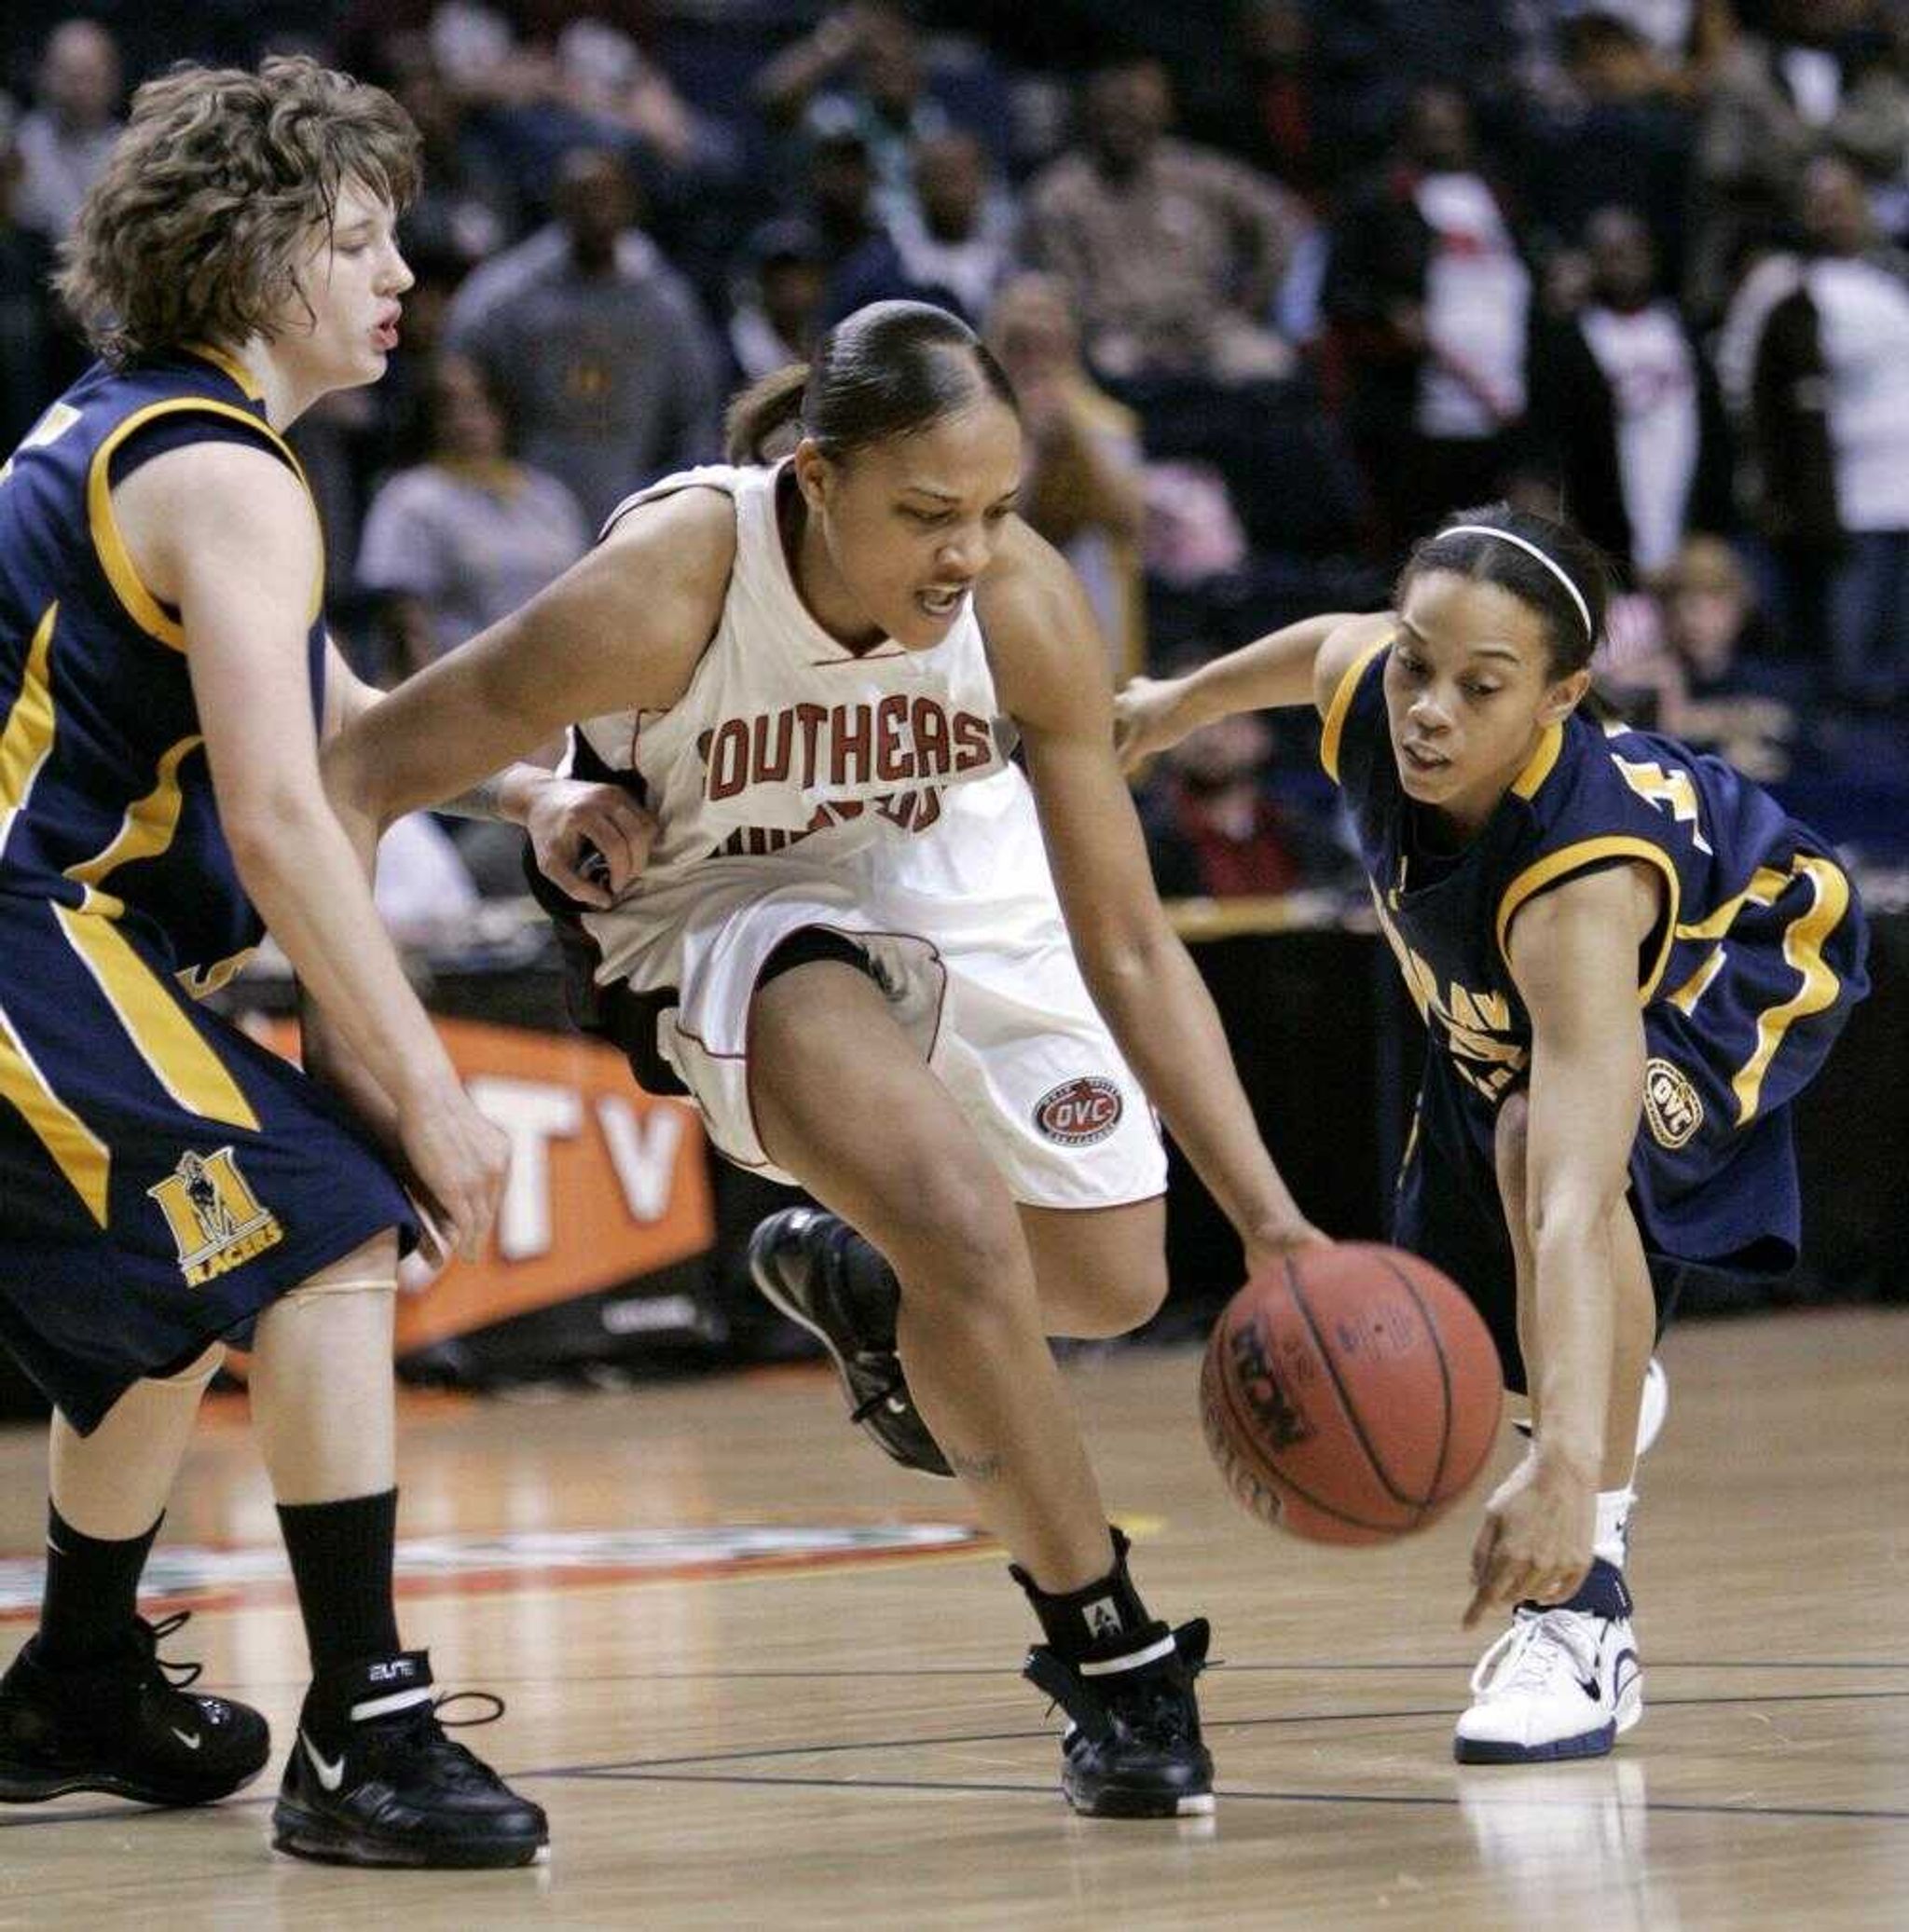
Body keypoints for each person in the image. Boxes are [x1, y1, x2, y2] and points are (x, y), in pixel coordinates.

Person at [323, 298, 1324, 1820]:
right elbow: (367, 764)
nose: (966, 553)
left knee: (1112, 1278)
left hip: (931, 864)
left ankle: (864, 1286)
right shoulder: (670, 585)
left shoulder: (1024, 607)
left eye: (993, 510)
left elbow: (1128, 945)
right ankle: (1112, 1655)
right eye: (926, 514)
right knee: (952, 1211)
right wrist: (518, 828)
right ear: (812, 479)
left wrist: (1273, 1225)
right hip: (716, 901)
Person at [0, 55, 643, 1866]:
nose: (397, 278)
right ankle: (361, 1728)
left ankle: (78, 1678)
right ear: (256, 253)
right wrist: (430, 1097)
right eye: (358, 238)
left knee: (172, 1283)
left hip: (53, 936)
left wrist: (519, 781)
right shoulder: (225, 468)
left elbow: (316, 714)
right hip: (20, 930)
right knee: (333, 1220)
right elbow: (286, 826)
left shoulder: (149, 434)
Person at [1117, 504, 1867, 1764]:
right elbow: (1320, 648)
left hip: (1742, 956)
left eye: (1482, 686)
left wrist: (1572, 1467)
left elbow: (1574, 1198)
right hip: (1506, 1023)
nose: (1429, 709)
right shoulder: (1379, 687)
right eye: (1419, 664)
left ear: (1563, 697)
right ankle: (1607, 1389)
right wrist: (1166, 706)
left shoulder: (1579, 883)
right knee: (1513, 1329)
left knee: (1545, 1155)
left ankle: (1587, 1616)